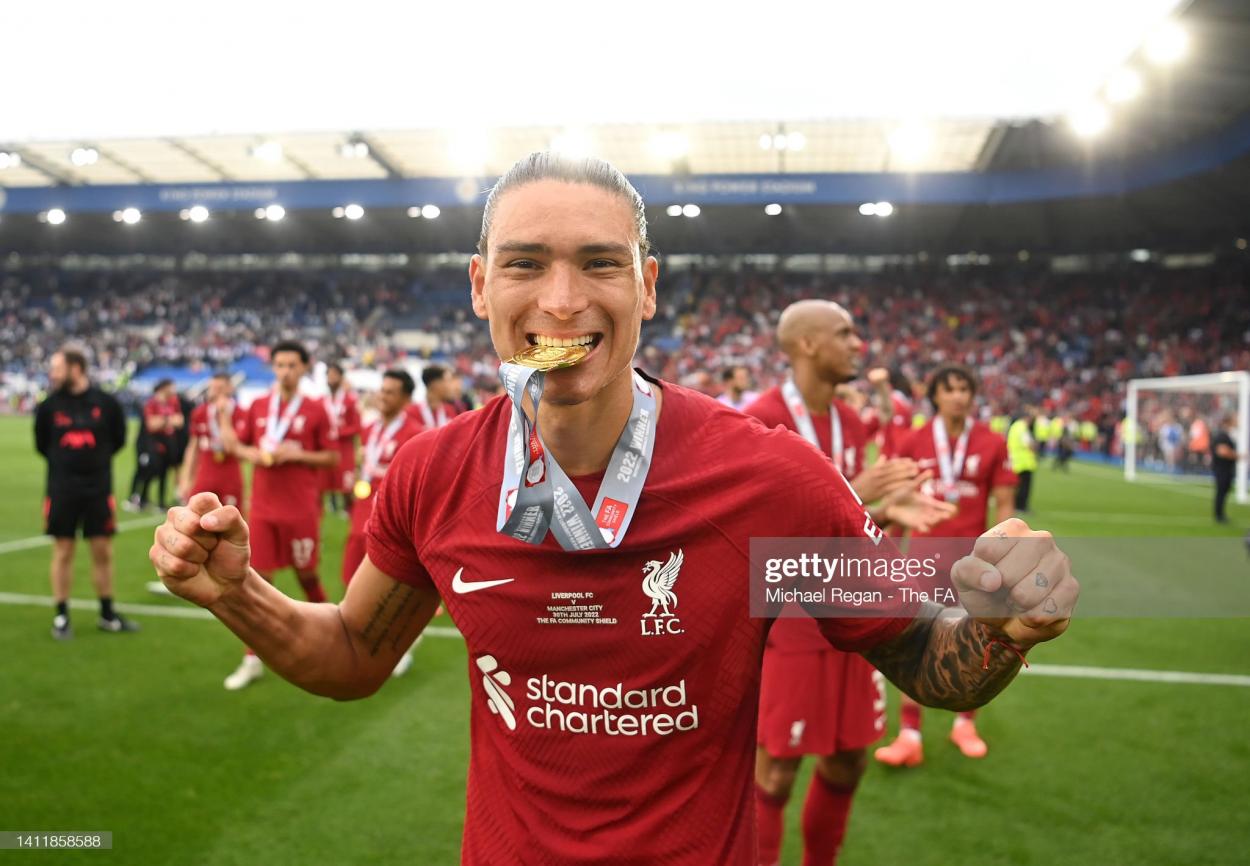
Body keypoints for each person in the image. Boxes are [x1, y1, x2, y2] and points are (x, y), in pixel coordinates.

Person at [150, 153, 1079, 864]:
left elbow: (920, 652)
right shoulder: (432, 473)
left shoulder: (770, 483)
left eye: (600, 263)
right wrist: (237, 594)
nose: (562, 300)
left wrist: (1002, 628)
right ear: (481, 286)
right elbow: (356, 654)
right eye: (525, 264)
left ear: (648, 284)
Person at [745, 300, 956, 866]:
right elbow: (758, 537)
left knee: (848, 760)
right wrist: (856, 492)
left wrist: (887, 512)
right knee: (777, 770)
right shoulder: (759, 420)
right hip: (790, 623)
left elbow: (844, 523)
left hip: (856, 611)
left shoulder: (849, 420)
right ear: (808, 344)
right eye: (846, 334)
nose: (859, 345)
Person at [875, 364, 1018, 767]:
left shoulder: (992, 442)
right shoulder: (913, 440)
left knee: (979, 638)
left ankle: (965, 723)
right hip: (922, 557)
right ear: (935, 395)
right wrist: (889, 555)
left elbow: (1004, 504)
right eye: (950, 389)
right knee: (913, 639)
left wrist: (1002, 556)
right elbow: (899, 503)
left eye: (964, 389)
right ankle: (909, 733)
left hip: (974, 560)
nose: (958, 396)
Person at [220, 340, 339, 691]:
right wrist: (252, 453)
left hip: (300, 508)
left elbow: (332, 458)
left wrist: (298, 454)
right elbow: (236, 446)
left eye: (292, 365)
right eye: (280, 365)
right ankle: (252, 657)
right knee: (258, 581)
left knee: (307, 576)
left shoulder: (317, 408)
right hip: (263, 508)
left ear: (303, 368)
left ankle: (334, 640)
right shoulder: (258, 405)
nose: (285, 371)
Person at [35, 348, 138, 638]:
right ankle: (61, 616)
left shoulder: (106, 403)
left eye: (57, 368)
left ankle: (107, 614)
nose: (52, 374)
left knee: (102, 550)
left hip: (98, 489)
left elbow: (118, 439)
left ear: (76, 368)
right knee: (63, 550)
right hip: (61, 489)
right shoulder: (49, 406)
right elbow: (42, 444)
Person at [341, 369, 426, 675]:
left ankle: (399, 643)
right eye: (382, 390)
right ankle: (365, 641)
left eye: (390, 392)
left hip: (390, 516)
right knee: (351, 577)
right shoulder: (372, 428)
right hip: (363, 510)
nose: (383, 396)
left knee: (392, 584)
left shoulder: (416, 433)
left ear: (405, 398)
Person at [177, 372, 247, 509]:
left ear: (230, 389)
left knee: (232, 518)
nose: (216, 392)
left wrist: (223, 415)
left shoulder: (241, 413)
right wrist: (186, 479)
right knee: (195, 517)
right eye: (213, 388)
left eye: (220, 388)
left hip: (230, 473)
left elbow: (235, 448)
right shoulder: (200, 413)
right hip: (205, 472)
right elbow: (193, 448)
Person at [127, 379, 184, 510]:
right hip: (150, 444)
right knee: (147, 469)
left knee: (164, 472)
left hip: (168, 443)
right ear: (163, 388)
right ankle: (137, 497)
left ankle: (160, 502)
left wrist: (163, 421)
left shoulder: (172, 402)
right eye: (171, 387)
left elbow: (180, 421)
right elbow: (151, 425)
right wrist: (169, 420)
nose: (174, 390)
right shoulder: (151, 403)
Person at [323, 362, 362, 515]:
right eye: (329, 375)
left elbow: (357, 427)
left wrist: (338, 432)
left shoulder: (350, 401)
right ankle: (331, 505)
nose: (331, 378)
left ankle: (349, 508)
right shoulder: (322, 400)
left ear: (341, 377)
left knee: (347, 481)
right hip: (328, 449)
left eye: (334, 375)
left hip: (345, 450)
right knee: (328, 479)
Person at [1007, 406, 1039, 513]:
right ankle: (1021, 506)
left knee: (1017, 486)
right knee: (1024, 486)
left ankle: (1015, 505)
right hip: (1024, 462)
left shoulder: (1014, 426)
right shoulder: (1022, 427)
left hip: (1015, 460)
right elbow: (1028, 443)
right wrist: (1034, 447)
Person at [1211, 414, 1242, 524]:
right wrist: (1237, 456)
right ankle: (1219, 515)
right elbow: (1222, 451)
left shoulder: (1226, 435)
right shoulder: (1222, 435)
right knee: (1221, 492)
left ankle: (1220, 514)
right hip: (1222, 469)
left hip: (1225, 468)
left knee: (1223, 491)